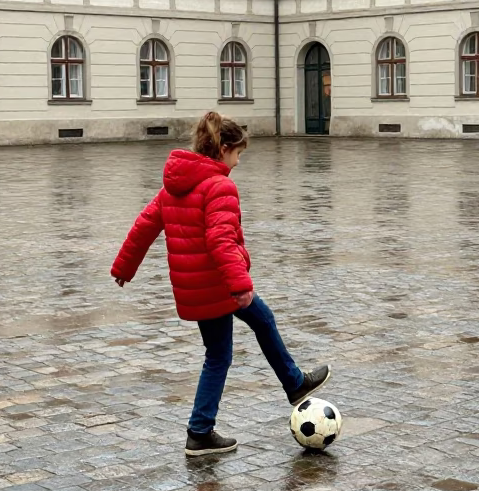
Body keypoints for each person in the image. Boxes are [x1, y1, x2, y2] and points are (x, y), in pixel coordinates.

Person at [111, 111, 330, 457]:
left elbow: (145, 225)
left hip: (196, 288)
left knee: (259, 324)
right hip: (219, 287)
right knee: (222, 353)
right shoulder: (219, 185)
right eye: (238, 154)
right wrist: (241, 284)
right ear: (224, 149)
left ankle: (292, 383)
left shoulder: (174, 185)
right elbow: (221, 240)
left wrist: (124, 266)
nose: (238, 162)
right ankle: (201, 430)